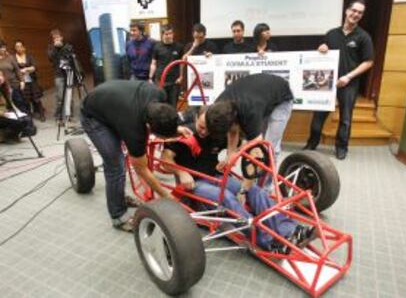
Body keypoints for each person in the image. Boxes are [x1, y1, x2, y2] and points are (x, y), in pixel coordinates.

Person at [162, 106, 314, 252]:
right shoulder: (182, 134)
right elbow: (165, 160)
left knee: (254, 190)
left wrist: (230, 156)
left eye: (208, 129)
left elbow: (245, 145)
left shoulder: (216, 132)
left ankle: (291, 230)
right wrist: (181, 173)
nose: (204, 132)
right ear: (195, 118)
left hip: (216, 176)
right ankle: (269, 241)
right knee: (227, 198)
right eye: (201, 127)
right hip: (195, 183)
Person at [81, 80, 191, 231]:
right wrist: (167, 195)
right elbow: (141, 170)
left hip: (112, 103)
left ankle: (119, 196)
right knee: (116, 164)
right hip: (94, 116)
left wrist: (175, 128)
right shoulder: (134, 130)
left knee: (124, 157)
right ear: (148, 127)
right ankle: (118, 216)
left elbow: (167, 118)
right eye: (163, 137)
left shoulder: (159, 95)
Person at [304, 0, 374, 160]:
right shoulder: (331, 34)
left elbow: (369, 61)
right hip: (327, 82)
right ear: (347, 11)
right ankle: (312, 143)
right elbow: (322, 54)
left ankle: (341, 147)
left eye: (360, 12)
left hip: (349, 83)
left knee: (346, 118)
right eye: (354, 10)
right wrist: (321, 49)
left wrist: (348, 76)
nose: (355, 14)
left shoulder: (363, 37)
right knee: (318, 115)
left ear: (361, 16)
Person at [205, 73, 294, 170]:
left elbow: (257, 142)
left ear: (234, 120)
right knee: (255, 143)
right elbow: (233, 131)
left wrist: (237, 154)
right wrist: (230, 155)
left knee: (269, 148)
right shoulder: (218, 106)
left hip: (281, 95)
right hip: (260, 94)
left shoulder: (250, 111)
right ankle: (257, 177)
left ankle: (266, 184)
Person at [149, 24, 183, 107]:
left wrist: (181, 76)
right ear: (162, 34)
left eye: (170, 33)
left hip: (174, 82)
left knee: (173, 105)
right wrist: (150, 78)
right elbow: (153, 64)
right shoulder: (157, 47)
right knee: (162, 105)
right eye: (166, 34)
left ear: (173, 34)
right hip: (160, 81)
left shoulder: (179, 46)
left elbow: (182, 63)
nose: (168, 36)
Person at [13, 40, 46, 122]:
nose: (19, 48)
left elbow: (35, 67)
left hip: (31, 80)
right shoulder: (13, 58)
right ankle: (29, 117)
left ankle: (41, 114)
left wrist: (27, 69)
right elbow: (13, 70)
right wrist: (20, 71)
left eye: (20, 46)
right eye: (17, 46)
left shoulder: (29, 56)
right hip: (22, 82)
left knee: (36, 99)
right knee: (26, 100)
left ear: (24, 47)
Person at [0, 70, 36, 141]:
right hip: (1, 115)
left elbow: (11, 104)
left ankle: (14, 134)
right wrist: (3, 114)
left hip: (6, 113)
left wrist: (18, 113)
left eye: (1, 76)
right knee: (18, 123)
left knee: (27, 120)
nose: (0, 78)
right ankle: (8, 136)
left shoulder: (5, 89)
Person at [47, 29, 75, 121]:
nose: (56, 39)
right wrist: (55, 48)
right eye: (54, 38)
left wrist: (62, 47)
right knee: (60, 96)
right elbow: (50, 58)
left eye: (58, 37)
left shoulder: (67, 46)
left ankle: (69, 115)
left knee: (69, 96)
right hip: (58, 75)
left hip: (69, 74)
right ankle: (60, 115)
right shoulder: (51, 47)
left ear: (61, 37)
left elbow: (71, 56)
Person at [0, 40, 27, 113]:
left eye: (4, 47)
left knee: (21, 104)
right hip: (3, 88)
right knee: (10, 107)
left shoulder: (10, 57)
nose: (3, 49)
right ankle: (17, 123)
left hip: (14, 85)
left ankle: (28, 123)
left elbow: (17, 70)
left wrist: (22, 81)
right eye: (1, 48)